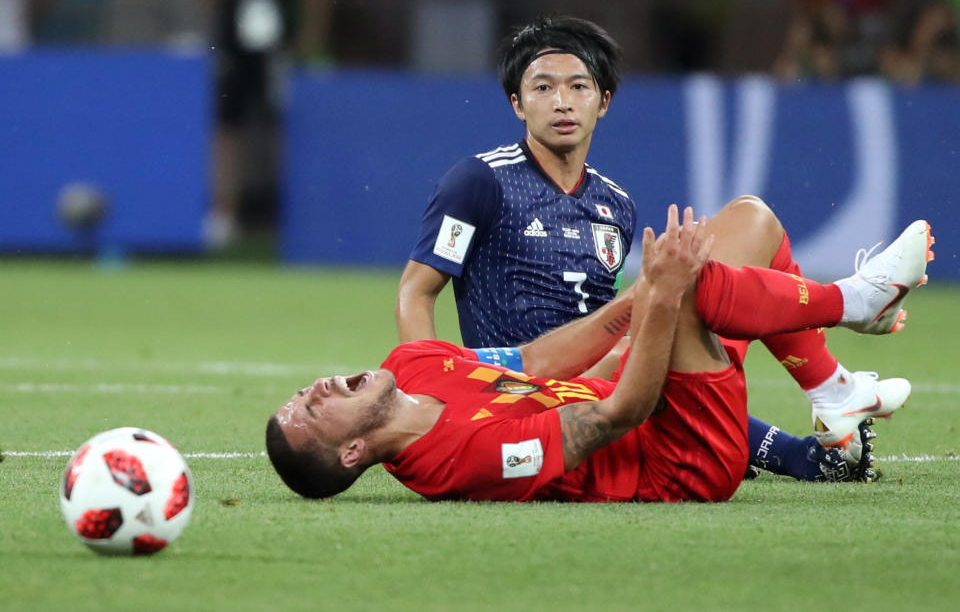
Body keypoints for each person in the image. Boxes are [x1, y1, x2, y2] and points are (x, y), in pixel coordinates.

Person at [394, 14, 881, 482]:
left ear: (603, 101)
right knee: (693, 282)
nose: (562, 101)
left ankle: (822, 409)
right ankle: (827, 393)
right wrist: (437, 392)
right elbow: (417, 292)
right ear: (517, 103)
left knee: (752, 224)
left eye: (578, 86)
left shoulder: (615, 204)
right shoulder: (479, 181)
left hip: (608, 376)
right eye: (543, 87)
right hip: (527, 391)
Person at [266, 206, 933, 502]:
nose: (317, 387)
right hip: (683, 459)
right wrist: (661, 299)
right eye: (310, 411)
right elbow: (619, 412)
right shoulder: (457, 465)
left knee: (749, 222)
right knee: (692, 284)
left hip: (644, 399)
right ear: (353, 454)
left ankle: (835, 390)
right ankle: (850, 301)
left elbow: (535, 363)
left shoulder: (410, 365)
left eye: (303, 390)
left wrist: (635, 301)